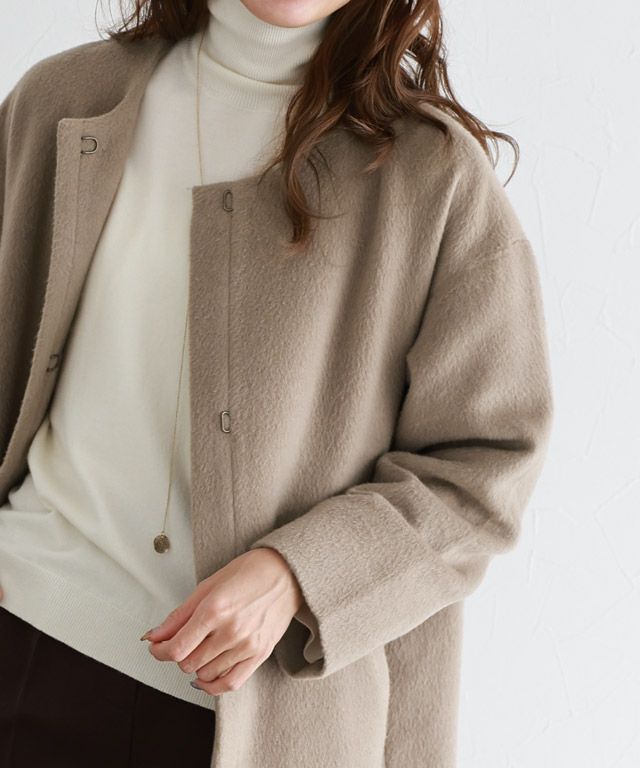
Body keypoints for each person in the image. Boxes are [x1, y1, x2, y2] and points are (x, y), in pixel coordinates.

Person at [0, 0, 554, 766]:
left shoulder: (433, 178)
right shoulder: (62, 103)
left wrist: (298, 574)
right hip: (22, 635)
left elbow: (486, 468)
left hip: (254, 720)